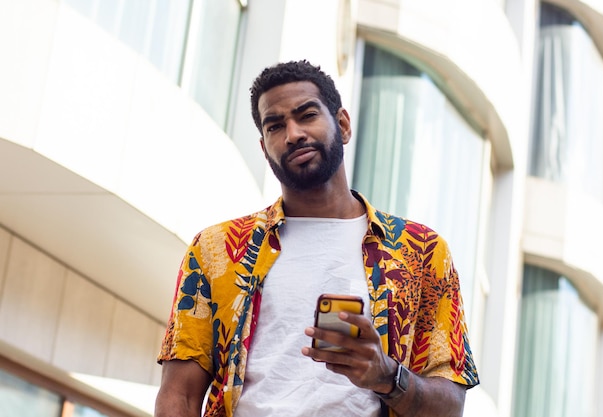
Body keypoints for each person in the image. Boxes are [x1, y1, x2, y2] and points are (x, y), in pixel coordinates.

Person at [155, 60, 479, 417]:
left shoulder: (420, 251)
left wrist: (386, 375)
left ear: (342, 125)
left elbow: (449, 407)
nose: (293, 134)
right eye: (276, 125)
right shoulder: (217, 249)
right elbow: (178, 398)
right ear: (265, 148)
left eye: (306, 115)